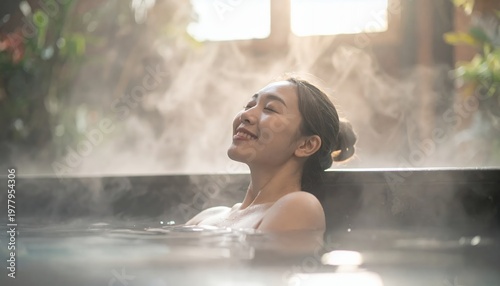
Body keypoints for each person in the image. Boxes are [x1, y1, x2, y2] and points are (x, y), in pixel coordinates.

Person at [185, 77, 357, 232]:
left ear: (306, 145)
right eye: (249, 105)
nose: (245, 115)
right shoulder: (209, 216)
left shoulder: (299, 207)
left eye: (270, 109)